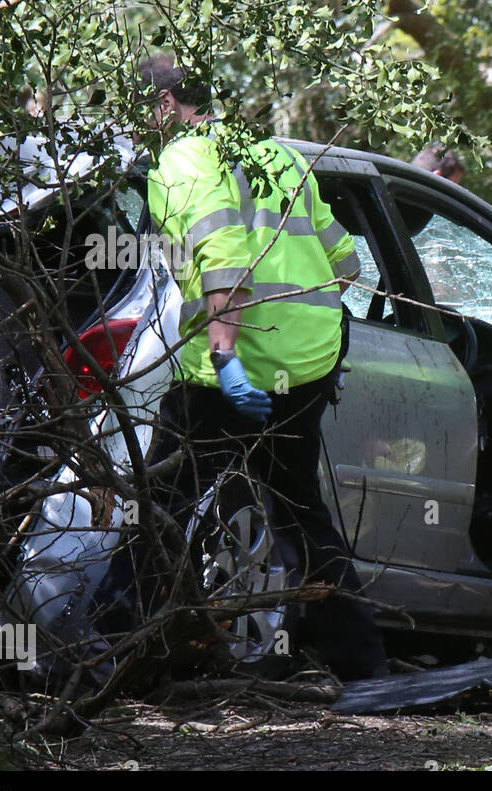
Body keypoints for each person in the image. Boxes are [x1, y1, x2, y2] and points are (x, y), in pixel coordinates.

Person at [124, 55, 387, 680]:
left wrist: (224, 354)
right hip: (310, 360)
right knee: (299, 508)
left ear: (164, 106)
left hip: (236, 365)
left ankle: (121, 648)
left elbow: (225, 264)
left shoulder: (183, 159)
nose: (139, 126)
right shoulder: (278, 154)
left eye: (141, 112)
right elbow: (345, 262)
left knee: (163, 502)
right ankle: (362, 665)